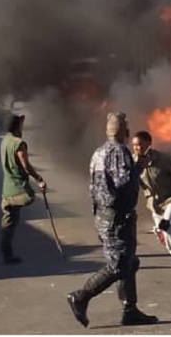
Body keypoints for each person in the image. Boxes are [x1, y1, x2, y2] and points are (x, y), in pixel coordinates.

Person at [67, 112, 157, 327]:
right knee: (118, 265)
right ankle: (80, 297)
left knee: (129, 262)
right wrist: (139, 167)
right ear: (124, 131)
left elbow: (94, 186)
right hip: (117, 217)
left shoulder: (98, 153)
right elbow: (123, 182)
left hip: (104, 214)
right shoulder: (119, 151)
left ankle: (130, 309)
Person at [131, 130, 171, 272]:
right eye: (135, 145)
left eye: (141, 144)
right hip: (155, 203)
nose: (138, 148)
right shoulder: (133, 163)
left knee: (165, 225)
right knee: (161, 230)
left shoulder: (163, 159)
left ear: (149, 143)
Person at [0, 113, 47, 264]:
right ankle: (7, 253)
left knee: (8, 223)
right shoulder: (19, 143)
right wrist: (39, 179)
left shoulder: (5, 141)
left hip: (6, 190)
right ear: (17, 126)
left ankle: (6, 253)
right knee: (29, 198)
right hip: (18, 189)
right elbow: (25, 165)